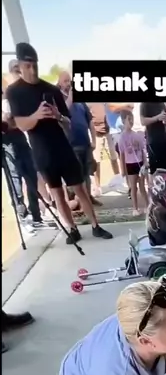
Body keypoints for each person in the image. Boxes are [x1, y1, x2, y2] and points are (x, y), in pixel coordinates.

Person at [6, 43, 112, 245]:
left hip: (63, 147)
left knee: (80, 188)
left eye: (35, 65)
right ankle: (72, 229)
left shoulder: (51, 89)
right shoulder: (14, 92)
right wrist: (37, 115)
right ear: (20, 66)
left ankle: (95, 226)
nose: (33, 70)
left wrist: (58, 116)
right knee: (57, 193)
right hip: (42, 151)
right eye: (28, 66)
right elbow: (21, 124)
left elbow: (68, 123)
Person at [2, 61, 45, 230]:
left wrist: (16, 120)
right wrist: (12, 121)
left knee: (31, 175)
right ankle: (23, 216)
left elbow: (23, 119)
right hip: (7, 142)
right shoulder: (6, 92)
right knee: (15, 179)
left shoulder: (20, 93)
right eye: (15, 69)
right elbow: (7, 122)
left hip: (21, 138)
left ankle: (36, 215)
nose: (18, 72)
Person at [57, 70, 98, 202]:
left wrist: (94, 139)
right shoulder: (58, 98)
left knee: (87, 173)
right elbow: (62, 113)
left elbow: (89, 120)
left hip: (85, 142)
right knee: (76, 175)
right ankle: (79, 201)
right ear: (59, 83)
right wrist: (70, 97)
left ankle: (89, 198)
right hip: (71, 144)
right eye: (65, 81)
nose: (68, 84)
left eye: (69, 81)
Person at [117, 110, 148, 216]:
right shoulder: (122, 138)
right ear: (123, 121)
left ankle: (147, 206)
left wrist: (145, 163)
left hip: (140, 163)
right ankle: (135, 208)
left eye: (132, 119)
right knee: (133, 187)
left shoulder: (137, 135)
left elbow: (142, 150)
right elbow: (122, 154)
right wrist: (123, 169)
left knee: (142, 186)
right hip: (130, 164)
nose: (131, 121)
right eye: (128, 119)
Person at [88, 102, 120, 192]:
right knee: (97, 160)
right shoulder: (89, 104)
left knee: (114, 157)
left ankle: (118, 181)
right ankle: (98, 186)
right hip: (96, 133)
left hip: (108, 131)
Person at [140, 102, 166, 172]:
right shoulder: (145, 104)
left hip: (165, 139)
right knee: (156, 170)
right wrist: (157, 118)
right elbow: (143, 121)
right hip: (153, 141)